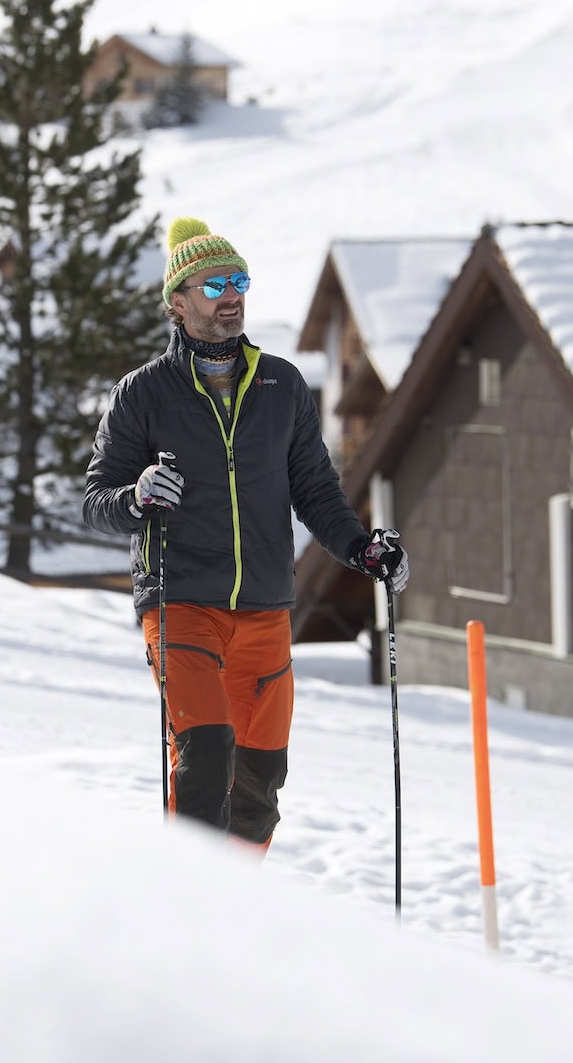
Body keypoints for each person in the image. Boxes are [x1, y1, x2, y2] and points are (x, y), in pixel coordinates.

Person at [83, 217, 409, 854]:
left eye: (239, 281)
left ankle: (238, 922)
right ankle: (190, 916)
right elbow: (97, 501)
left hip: (264, 604)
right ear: (179, 302)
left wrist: (361, 549)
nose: (231, 295)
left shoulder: (282, 385)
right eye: (214, 285)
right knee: (205, 760)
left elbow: (315, 488)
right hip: (180, 600)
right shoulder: (144, 394)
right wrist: (137, 496)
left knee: (259, 785)